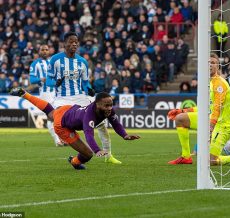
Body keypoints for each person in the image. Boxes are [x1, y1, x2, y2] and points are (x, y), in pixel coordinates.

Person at [10, 88, 140, 170]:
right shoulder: (90, 114)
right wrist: (97, 150)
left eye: (111, 105)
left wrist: (125, 135)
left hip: (68, 109)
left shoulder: (108, 110)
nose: (109, 108)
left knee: (50, 112)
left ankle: (25, 94)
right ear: (97, 104)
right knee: (88, 154)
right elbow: (89, 135)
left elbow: (116, 123)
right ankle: (74, 162)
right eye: (106, 105)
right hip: (63, 125)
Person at [47, 32, 121, 164]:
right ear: (64, 43)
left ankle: (108, 155)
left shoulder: (82, 62)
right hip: (62, 99)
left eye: (76, 41)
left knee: (102, 124)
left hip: (80, 98)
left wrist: (89, 89)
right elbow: (48, 80)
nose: (74, 44)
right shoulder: (55, 60)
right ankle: (75, 152)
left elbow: (85, 82)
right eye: (71, 41)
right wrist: (55, 83)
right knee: (63, 124)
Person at [167, 53, 230, 165]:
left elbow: (217, 107)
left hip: (223, 125)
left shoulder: (219, 84)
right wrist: (182, 111)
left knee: (211, 161)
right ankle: (186, 156)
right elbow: (204, 107)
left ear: (218, 66)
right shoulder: (207, 83)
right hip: (210, 119)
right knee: (180, 119)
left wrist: (210, 126)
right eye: (208, 63)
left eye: (213, 63)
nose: (210, 65)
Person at [29, 44, 63, 146]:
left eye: (46, 49)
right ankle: (57, 141)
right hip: (45, 93)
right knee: (51, 116)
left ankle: (61, 138)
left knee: (59, 116)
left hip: (56, 93)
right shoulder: (35, 64)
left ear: (49, 51)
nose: (44, 51)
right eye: (42, 50)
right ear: (39, 51)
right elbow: (32, 80)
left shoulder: (52, 63)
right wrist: (41, 79)